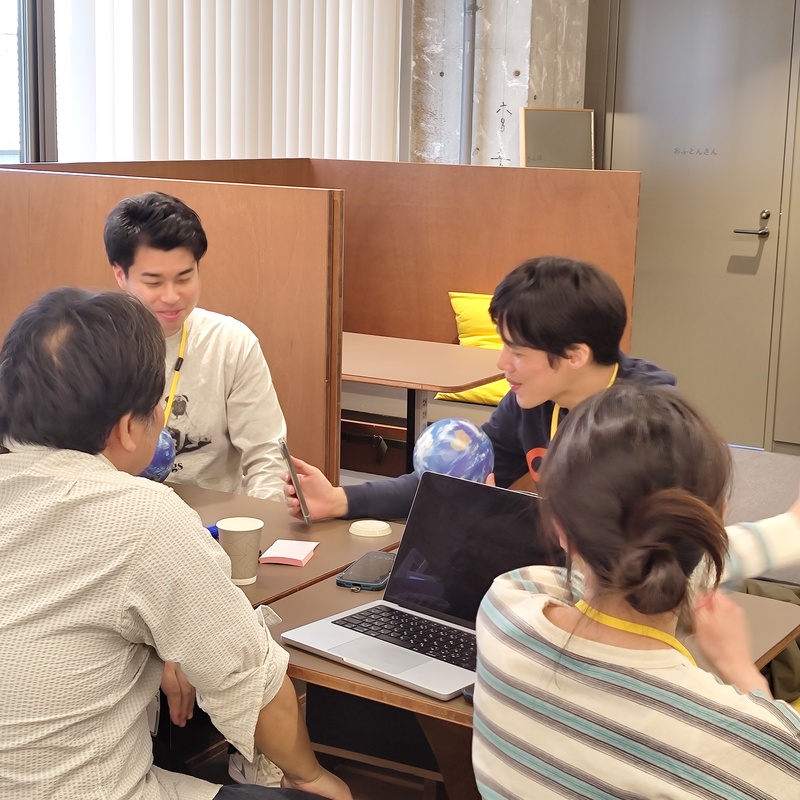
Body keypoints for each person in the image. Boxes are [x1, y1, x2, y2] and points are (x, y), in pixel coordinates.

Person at [0, 288, 351, 800]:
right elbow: (249, 682)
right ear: (128, 429)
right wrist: (311, 778)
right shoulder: (140, 515)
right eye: (157, 402)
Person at [473, 384, 800, 799]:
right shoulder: (760, 745)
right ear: (717, 519)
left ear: (559, 526)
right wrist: (739, 669)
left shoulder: (506, 605)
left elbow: (626, 564)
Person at [284, 256, 676, 521]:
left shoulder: (650, 423)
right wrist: (340, 500)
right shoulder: (533, 402)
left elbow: (648, 546)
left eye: (517, 351)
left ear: (575, 355)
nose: (502, 363)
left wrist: (492, 513)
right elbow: (454, 479)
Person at [105, 191, 287, 501]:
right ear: (121, 274)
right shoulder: (91, 346)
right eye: (154, 282)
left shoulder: (230, 342)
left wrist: (261, 520)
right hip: (118, 511)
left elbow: (267, 457)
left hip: (213, 518)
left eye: (184, 278)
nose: (172, 296)